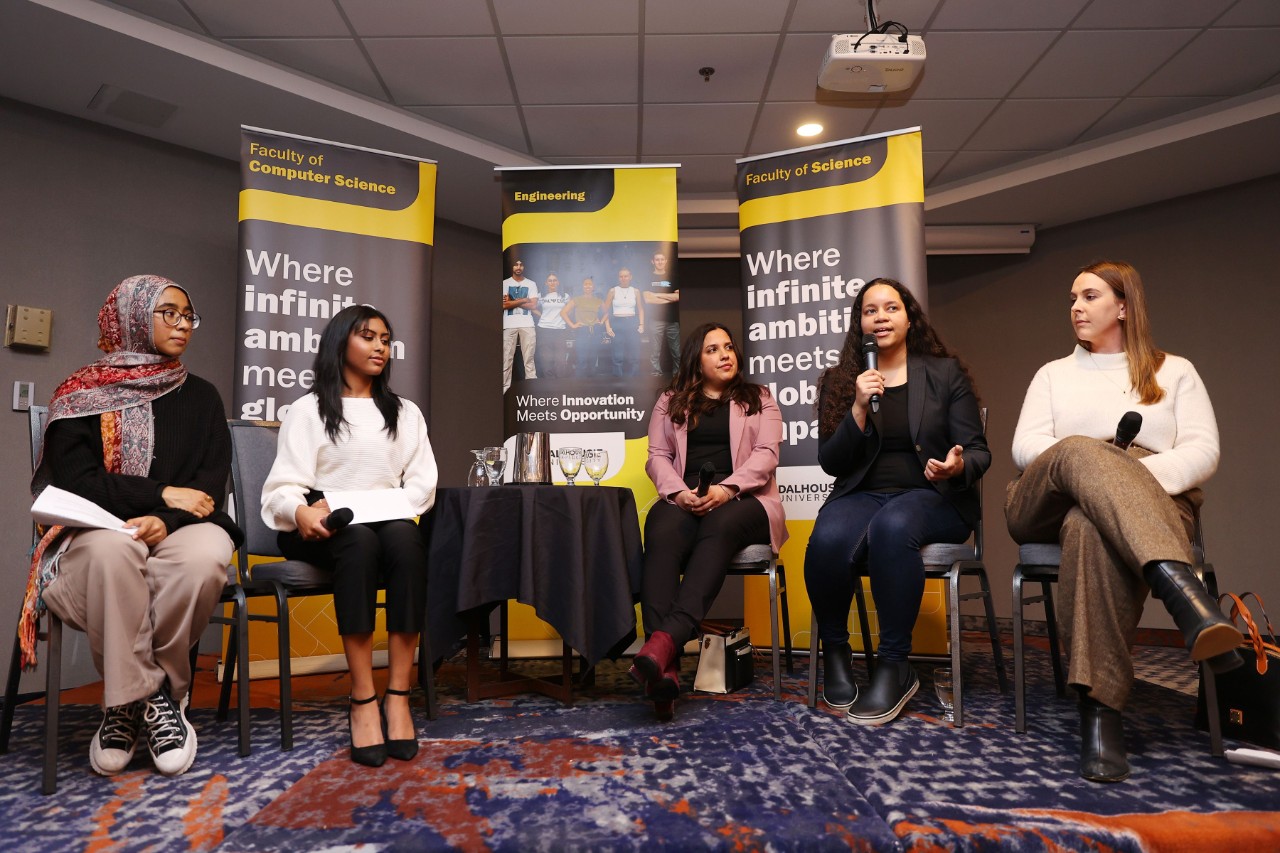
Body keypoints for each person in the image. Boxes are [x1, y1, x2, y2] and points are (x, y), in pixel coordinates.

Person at [1006, 260, 1240, 783]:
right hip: (1048, 497)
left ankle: (1100, 717)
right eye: (1072, 298)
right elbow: (1026, 448)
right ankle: (1185, 596)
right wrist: (1098, 466)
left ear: (1124, 307)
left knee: (1092, 529)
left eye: (1089, 296)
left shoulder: (1174, 370)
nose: (1075, 307)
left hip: (1146, 499)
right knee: (1078, 453)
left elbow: (1203, 451)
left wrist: (1128, 480)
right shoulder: (1053, 373)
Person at [22, 274, 242, 778]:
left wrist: (165, 520)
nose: (183, 324)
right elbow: (77, 484)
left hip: (180, 529)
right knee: (113, 552)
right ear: (130, 316)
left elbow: (209, 485)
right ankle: (148, 697)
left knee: (207, 555)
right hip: (90, 541)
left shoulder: (203, 397)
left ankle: (130, 702)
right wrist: (160, 493)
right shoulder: (81, 394)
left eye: (188, 315)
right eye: (169, 312)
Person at [805, 278, 989, 726]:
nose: (881, 317)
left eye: (891, 308)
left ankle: (894, 665)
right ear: (860, 323)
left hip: (933, 496)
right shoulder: (843, 381)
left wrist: (954, 466)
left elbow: (978, 451)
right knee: (827, 537)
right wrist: (857, 409)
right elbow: (831, 462)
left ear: (909, 317)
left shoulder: (945, 374)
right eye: (871, 311)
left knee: (893, 526)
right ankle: (835, 652)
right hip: (863, 494)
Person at [261, 304, 438, 767]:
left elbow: (421, 484)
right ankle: (362, 698)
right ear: (340, 343)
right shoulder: (308, 410)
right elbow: (282, 488)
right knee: (359, 542)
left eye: (385, 338)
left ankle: (397, 694)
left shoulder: (405, 412)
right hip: (324, 523)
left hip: (387, 517)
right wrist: (300, 512)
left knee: (405, 542)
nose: (380, 346)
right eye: (367, 336)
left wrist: (395, 508)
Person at [633, 323, 786, 720]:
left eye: (729, 347)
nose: (725, 355)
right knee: (661, 527)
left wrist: (727, 489)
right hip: (688, 497)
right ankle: (662, 674)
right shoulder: (670, 401)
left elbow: (766, 456)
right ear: (696, 362)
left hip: (746, 500)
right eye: (713, 349)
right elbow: (657, 456)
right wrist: (678, 493)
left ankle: (663, 643)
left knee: (720, 525)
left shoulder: (760, 398)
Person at [502, 259, 539, 393]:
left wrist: (512, 301)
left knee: (529, 358)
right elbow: (504, 305)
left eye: (521, 264)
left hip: (527, 324)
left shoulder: (531, 284)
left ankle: (532, 389)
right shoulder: (505, 283)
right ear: (512, 266)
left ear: (524, 267)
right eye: (516, 264)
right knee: (506, 358)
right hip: (508, 324)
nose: (518, 267)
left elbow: (533, 305)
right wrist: (524, 299)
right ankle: (505, 390)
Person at [603, 268, 645, 377]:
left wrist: (641, 324)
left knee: (634, 352)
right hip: (617, 323)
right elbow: (605, 310)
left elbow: (640, 309)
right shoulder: (613, 291)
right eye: (621, 276)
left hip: (632, 322)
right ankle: (618, 378)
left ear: (630, 277)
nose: (623, 278)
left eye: (626, 276)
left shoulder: (635, 291)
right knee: (617, 354)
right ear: (618, 278)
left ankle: (634, 378)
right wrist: (608, 327)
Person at [644, 250, 679, 376]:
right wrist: (669, 298)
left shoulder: (673, 276)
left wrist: (657, 295)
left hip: (673, 320)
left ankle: (677, 376)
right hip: (655, 320)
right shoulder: (648, 278)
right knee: (654, 351)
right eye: (657, 259)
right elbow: (648, 299)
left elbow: (678, 297)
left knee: (676, 351)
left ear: (666, 261)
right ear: (652, 261)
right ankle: (655, 374)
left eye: (662, 259)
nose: (660, 262)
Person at [532, 272, 571, 378]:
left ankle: (559, 384)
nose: (552, 282)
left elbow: (570, 310)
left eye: (554, 280)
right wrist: (542, 315)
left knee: (560, 360)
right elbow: (532, 307)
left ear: (558, 282)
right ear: (546, 283)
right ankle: (550, 383)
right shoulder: (541, 296)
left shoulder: (565, 296)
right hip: (544, 330)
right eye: (550, 280)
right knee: (546, 360)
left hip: (559, 330)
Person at [563, 277, 604, 377]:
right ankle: (579, 388)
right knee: (582, 361)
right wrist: (573, 325)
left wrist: (601, 321)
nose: (587, 286)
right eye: (585, 284)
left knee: (593, 361)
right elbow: (563, 312)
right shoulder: (577, 299)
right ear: (582, 286)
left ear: (593, 287)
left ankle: (592, 389)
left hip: (595, 332)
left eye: (590, 284)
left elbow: (607, 312)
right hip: (582, 331)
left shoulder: (598, 300)